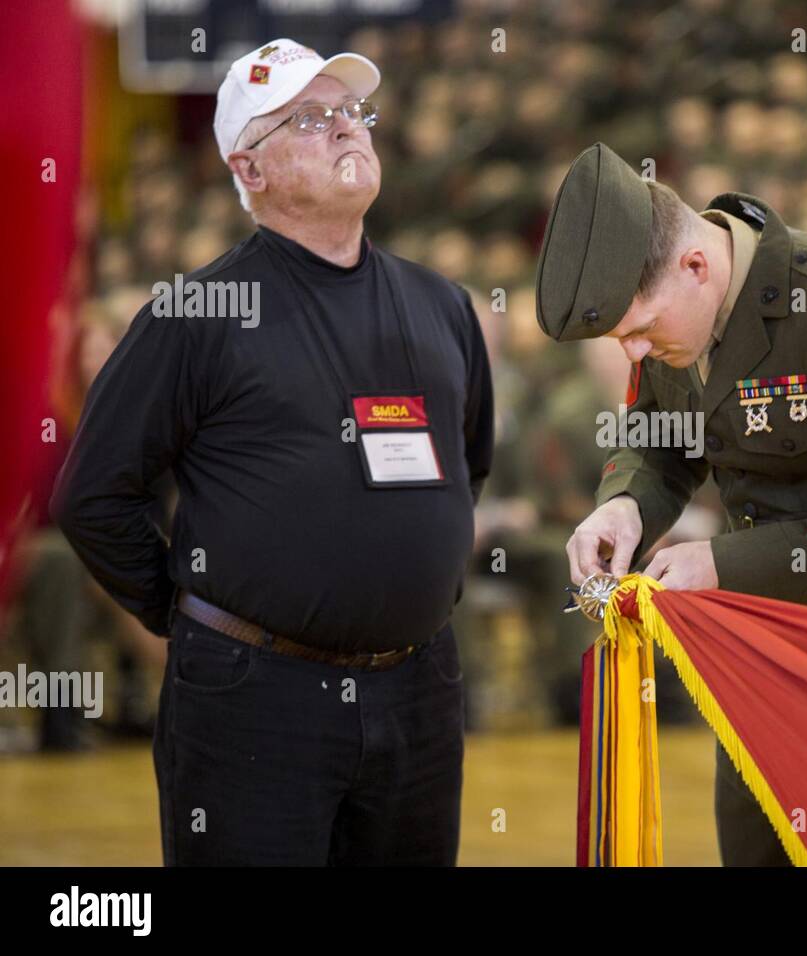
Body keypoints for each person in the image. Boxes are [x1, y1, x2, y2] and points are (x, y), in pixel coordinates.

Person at [51, 38, 493, 865]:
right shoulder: (199, 314)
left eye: (350, 112)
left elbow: (468, 461)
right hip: (254, 700)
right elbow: (93, 496)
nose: (345, 130)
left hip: (420, 692)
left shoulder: (442, 304)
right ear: (248, 171)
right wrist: (188, 618)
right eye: (309, 118)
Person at [534, 143, 807, 865]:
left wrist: (723, 564)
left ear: (696, 266)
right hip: (756, 666)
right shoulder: (676, 324)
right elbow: (659, 444)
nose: (632, 356)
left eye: (639, 330)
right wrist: (625, 505)